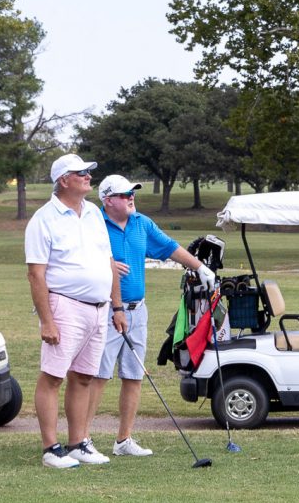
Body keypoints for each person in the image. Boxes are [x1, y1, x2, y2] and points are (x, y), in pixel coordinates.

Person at [85, 174, 216, 456]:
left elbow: (170, 248)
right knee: (98, 375)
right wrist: (103, 265)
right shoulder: (94, 224)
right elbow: (78, 259)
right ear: (107, 200)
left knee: (133, 376)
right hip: (105, 312)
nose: (131, 197)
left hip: (137, 311)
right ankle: (82, 440)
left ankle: (123, 440)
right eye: (123, 194)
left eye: (132, 192)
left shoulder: (141, 223)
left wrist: (199, 267)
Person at [25, 154, 126, 468]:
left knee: (84, 377)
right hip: (64, 306)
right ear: (63, 180)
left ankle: (78, 442)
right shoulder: (44, 219)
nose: (87, 176)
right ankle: (50, 448)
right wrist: (47, 321)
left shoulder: (94, 212)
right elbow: (36, 274)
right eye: (80, 172)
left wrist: (117, 306)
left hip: (98, 308)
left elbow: (107, 262)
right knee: (53, 377)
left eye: (88, 172)